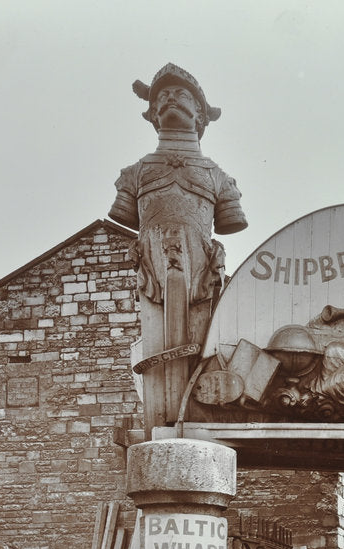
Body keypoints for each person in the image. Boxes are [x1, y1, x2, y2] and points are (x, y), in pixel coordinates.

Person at [109, 64, 247, 428]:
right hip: (153, 276)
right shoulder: (135, 173)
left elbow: (232, 221)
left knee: (200, 347)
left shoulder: (219, 177)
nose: (171, 99)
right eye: (162, 96)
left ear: (200, 114)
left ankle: (192, 413)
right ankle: (161, 416)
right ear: (153, 113)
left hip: (200, 275)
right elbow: (122, 214)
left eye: (181, 94)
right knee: (157, 360)